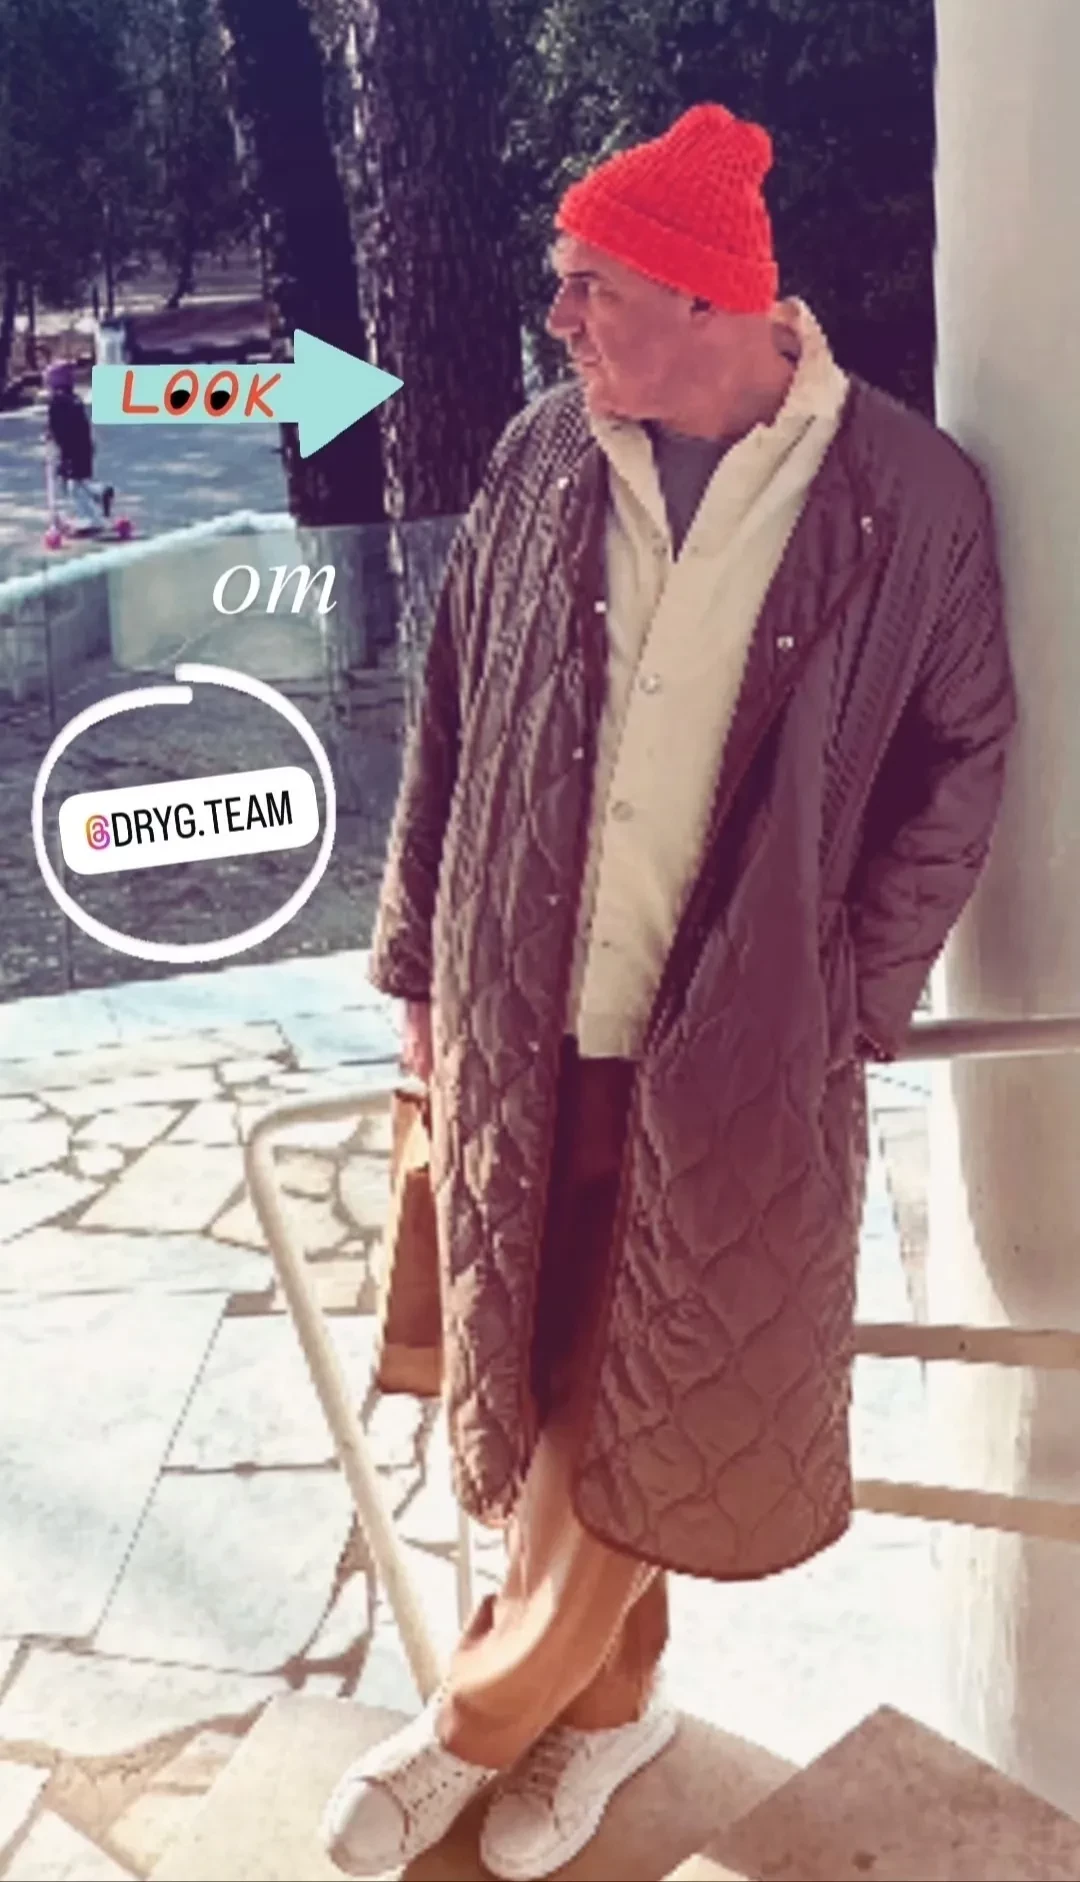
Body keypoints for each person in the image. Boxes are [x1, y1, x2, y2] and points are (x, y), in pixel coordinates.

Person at [322, 102, 1018, 1881]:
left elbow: (964, 758)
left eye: (591, 287)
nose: (558, 317)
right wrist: (417, 969)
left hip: (735, 1056)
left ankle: (472, 1720)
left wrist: (852, 994)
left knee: (657, 1400)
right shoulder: (545, 453)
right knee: (553, 1385)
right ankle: (613, 1711)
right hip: (522, 1023)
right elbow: (450, 709)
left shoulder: (907, 497)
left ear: (710, 299)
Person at [44, 362, 114, 532]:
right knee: (79, 481)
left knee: (74, 486)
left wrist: (51, 437)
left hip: (71, 450)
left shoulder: (57, 402)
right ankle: (100, 491)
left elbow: (58, 427)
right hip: (84, 447)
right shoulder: (74, 399)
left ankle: (92, 519)